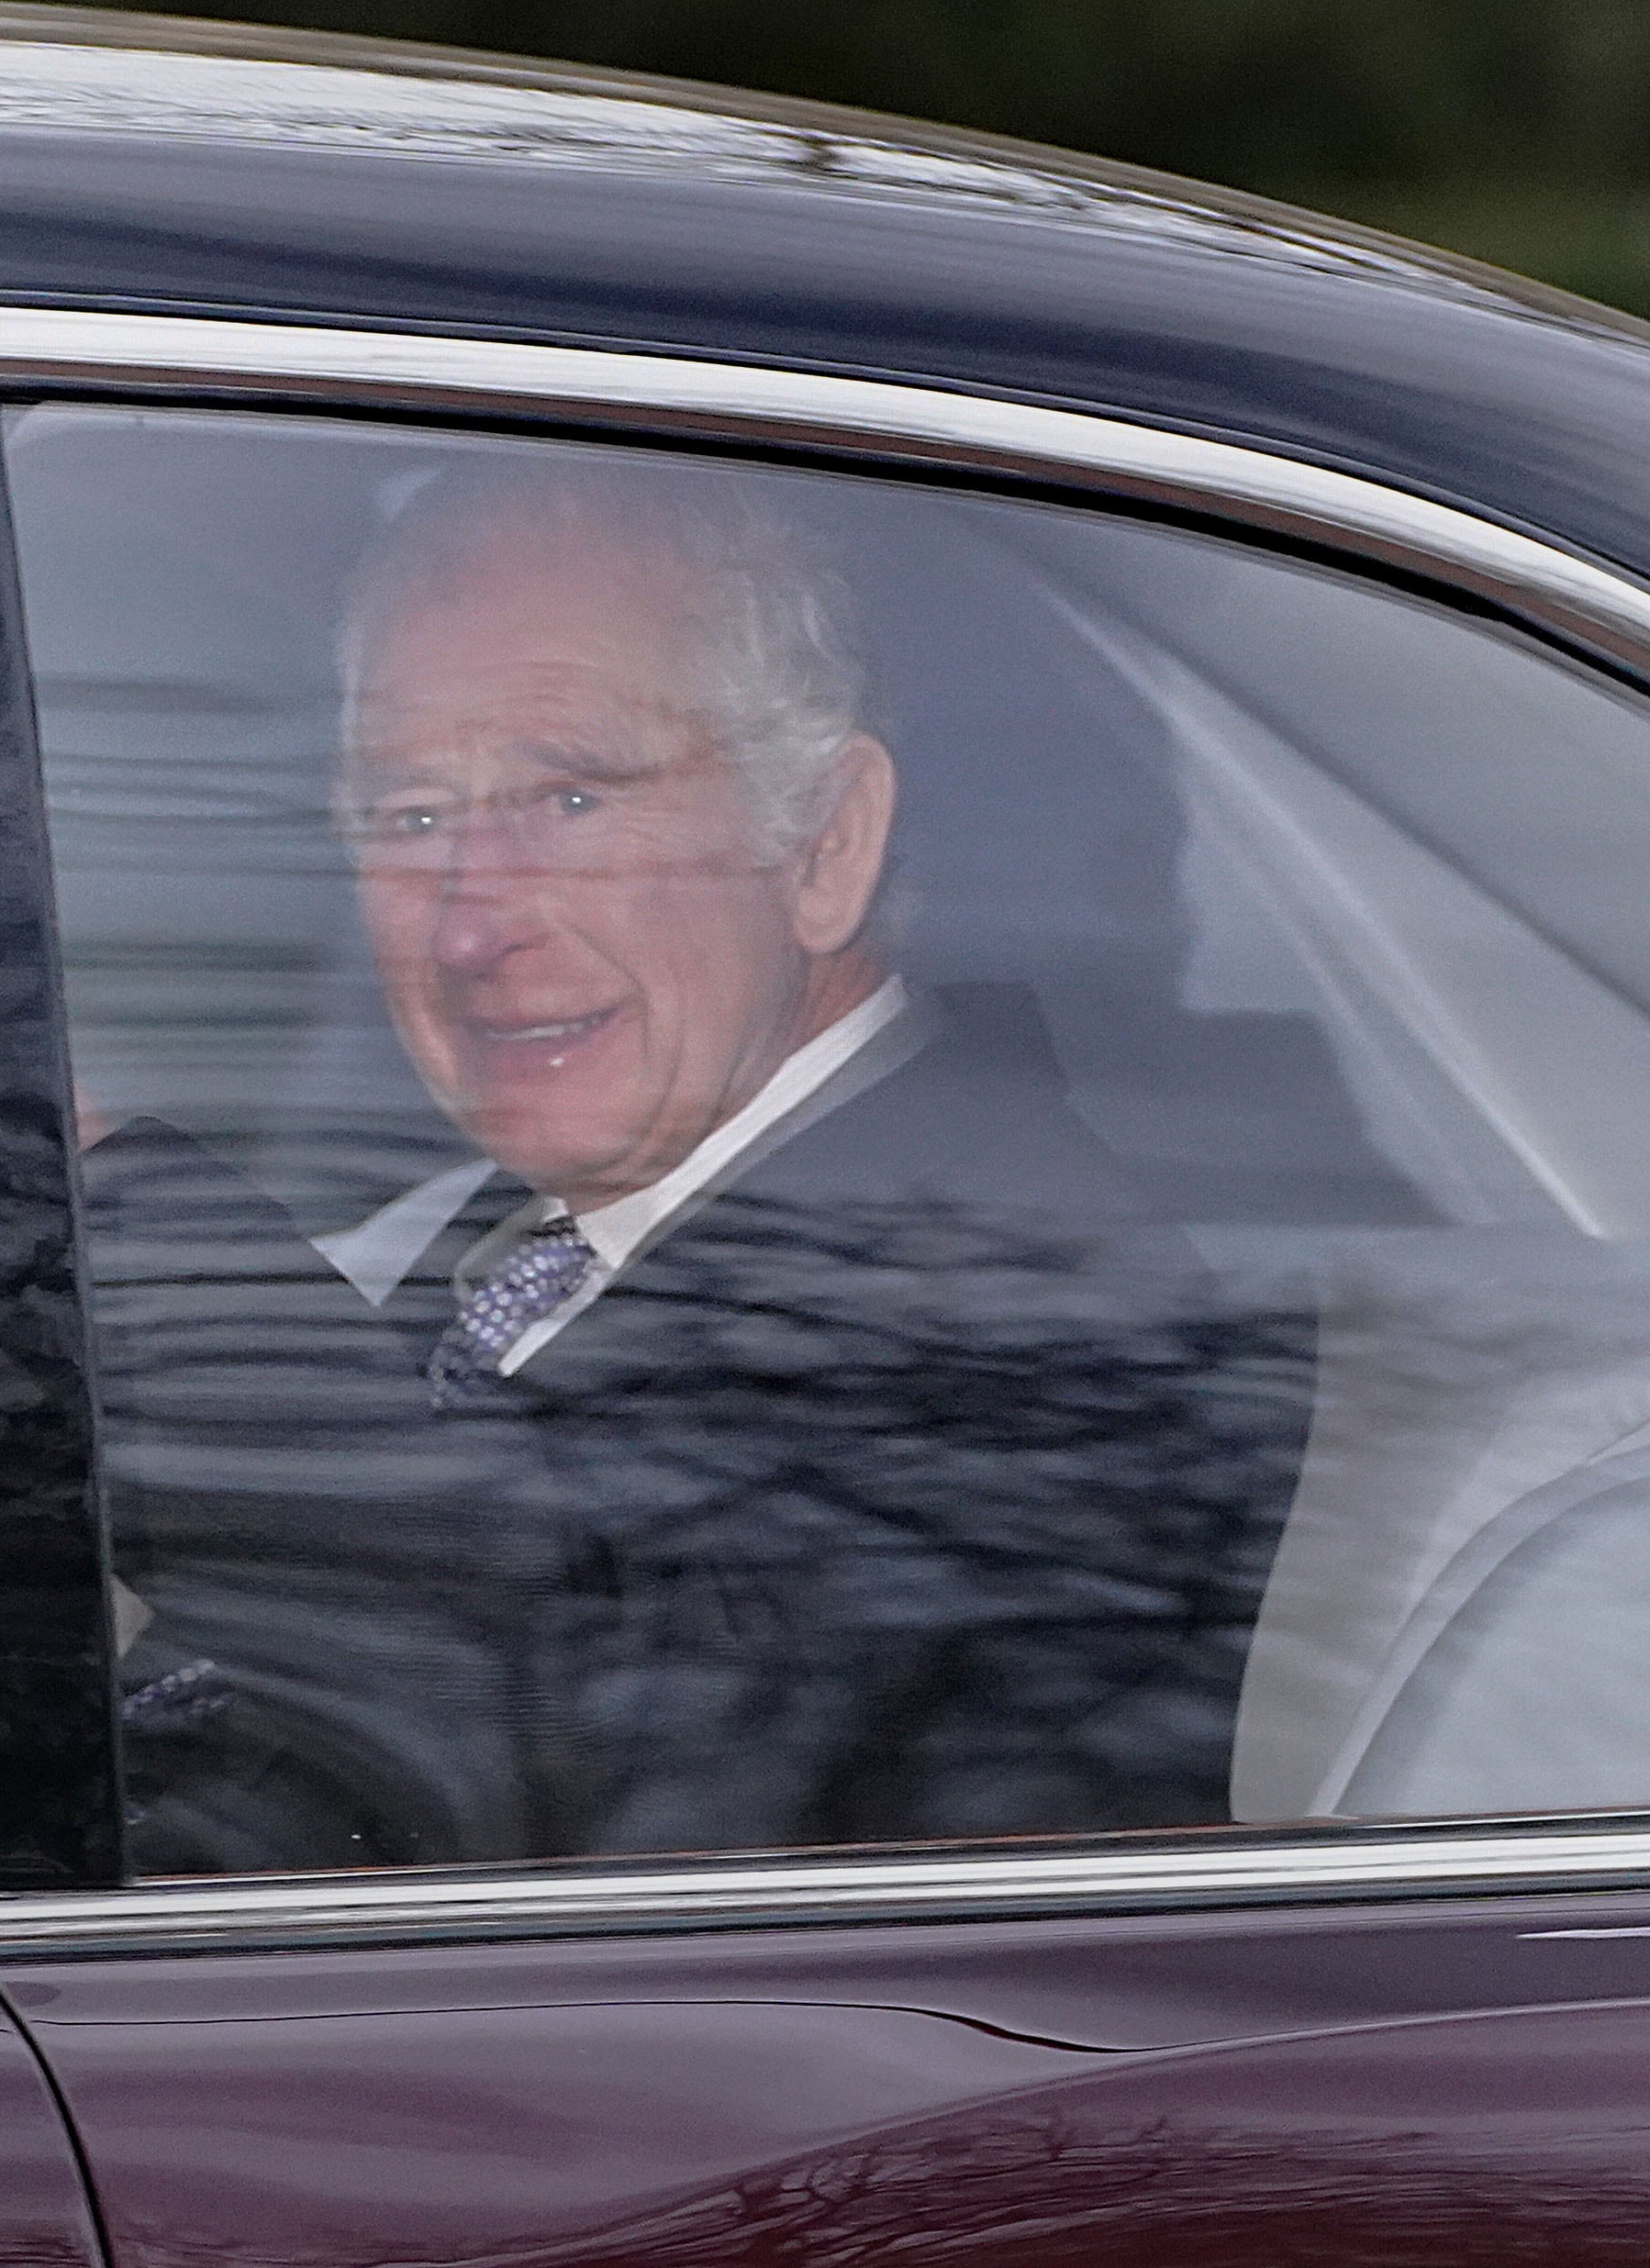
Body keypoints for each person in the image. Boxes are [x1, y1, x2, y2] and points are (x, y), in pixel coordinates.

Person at [95, 460, 1312, 1870]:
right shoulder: (499, 1240)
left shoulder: (1029, 1310)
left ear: (826, 845)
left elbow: (556, 1740)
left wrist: (103, 1235)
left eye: (570, 800)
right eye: (411, 816)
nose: (468, 924)